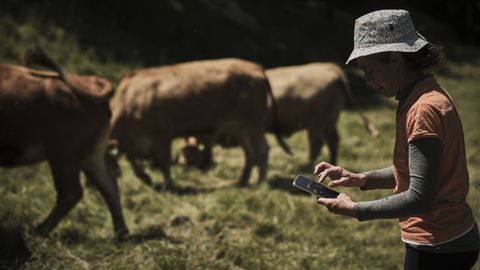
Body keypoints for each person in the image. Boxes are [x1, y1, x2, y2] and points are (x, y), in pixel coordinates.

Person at [313, 9, 480, 270]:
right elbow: (419, 171)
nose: (368, 82)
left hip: (437, 245)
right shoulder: (423, 93)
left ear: (394, 58)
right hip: (450, 239)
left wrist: (356, 209)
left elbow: (420, 198)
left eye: (369, 71)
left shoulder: (422, 109)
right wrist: (362, 179)